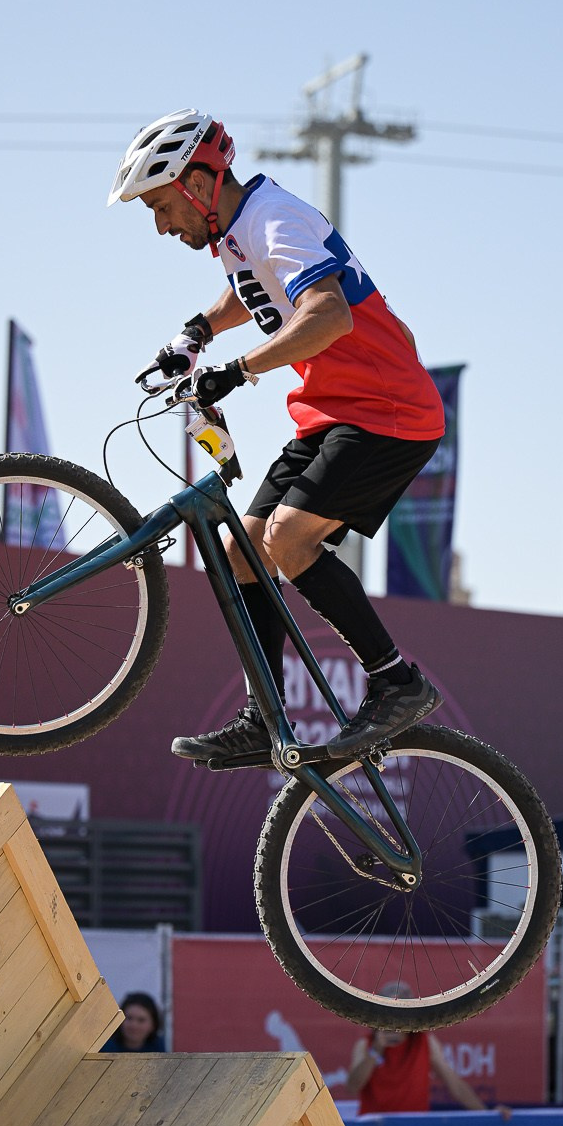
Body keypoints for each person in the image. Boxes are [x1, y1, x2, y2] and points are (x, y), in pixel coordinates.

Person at [108, 108, 445, 765]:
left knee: (287, 537)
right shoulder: (240, 231)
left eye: (159, 206)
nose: (159, 225)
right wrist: (194, 337)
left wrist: (237, 370)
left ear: (198, 184)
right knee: (242, 553)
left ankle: (395, 682)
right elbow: (250, 292)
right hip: (329, 412)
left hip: (386, 412)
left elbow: (327, 313)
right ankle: (265, 720)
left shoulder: (273, 218)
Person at [344, 985, 510, 1117]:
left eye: (398, 1014)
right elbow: (352, 1087)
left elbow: (455, 1085)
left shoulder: (424, 1041)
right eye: (387, 1015)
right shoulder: (365, 1045)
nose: (393, 1022)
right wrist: (376, 1051)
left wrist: (486, 1115)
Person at [101, 991, 167, 1055]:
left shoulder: (164, 1048)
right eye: (129, 1018)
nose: (134, 1025)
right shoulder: (103, 1048)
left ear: (153, 1024)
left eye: (141, 1020)